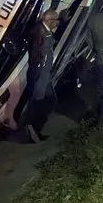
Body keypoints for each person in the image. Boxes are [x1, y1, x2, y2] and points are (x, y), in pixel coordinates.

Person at [22, 8, 61, 143]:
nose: (58, 23)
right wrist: (39, 69)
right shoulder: (39, 32)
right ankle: (31, 129)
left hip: (44, 73)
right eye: (56, 20)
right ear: (49, 20)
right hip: (40, 72)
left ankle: (34, 127)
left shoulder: (45, 31)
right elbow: (36, 54)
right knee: (37, 100)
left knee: (50, 100)